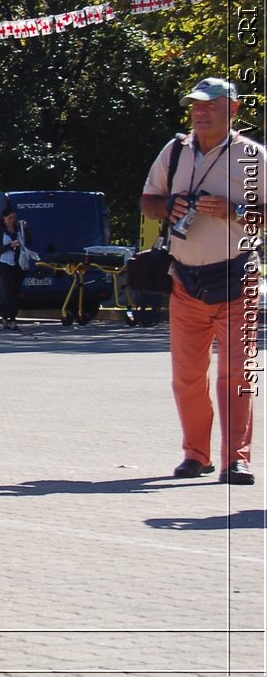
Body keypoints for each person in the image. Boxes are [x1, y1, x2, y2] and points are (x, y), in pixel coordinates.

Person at [140, 77, 261, 486]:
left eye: (210, 104)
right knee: (187, 377)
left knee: (237, 374)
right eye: (196, 104)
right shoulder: (175, 151)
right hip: (184, 280)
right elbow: (148, 200)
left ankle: (235, 460)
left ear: (234, 109)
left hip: (236, 276)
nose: (201, 111)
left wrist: (236, 211)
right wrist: (169, 206)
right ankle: (196, 455)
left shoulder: (252, 157)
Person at [0, 204, 30, 332]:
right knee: (10, 291)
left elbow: (29, 241)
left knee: (16, 293)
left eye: (14, 218)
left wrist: (25, 230)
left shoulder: (19, 230)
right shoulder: (0, 232)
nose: (12, 220)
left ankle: (5, 316)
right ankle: (12, 319)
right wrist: (10, 245)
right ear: (4, 218)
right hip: (5, 266)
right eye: (9, 218)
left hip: (18, 265)